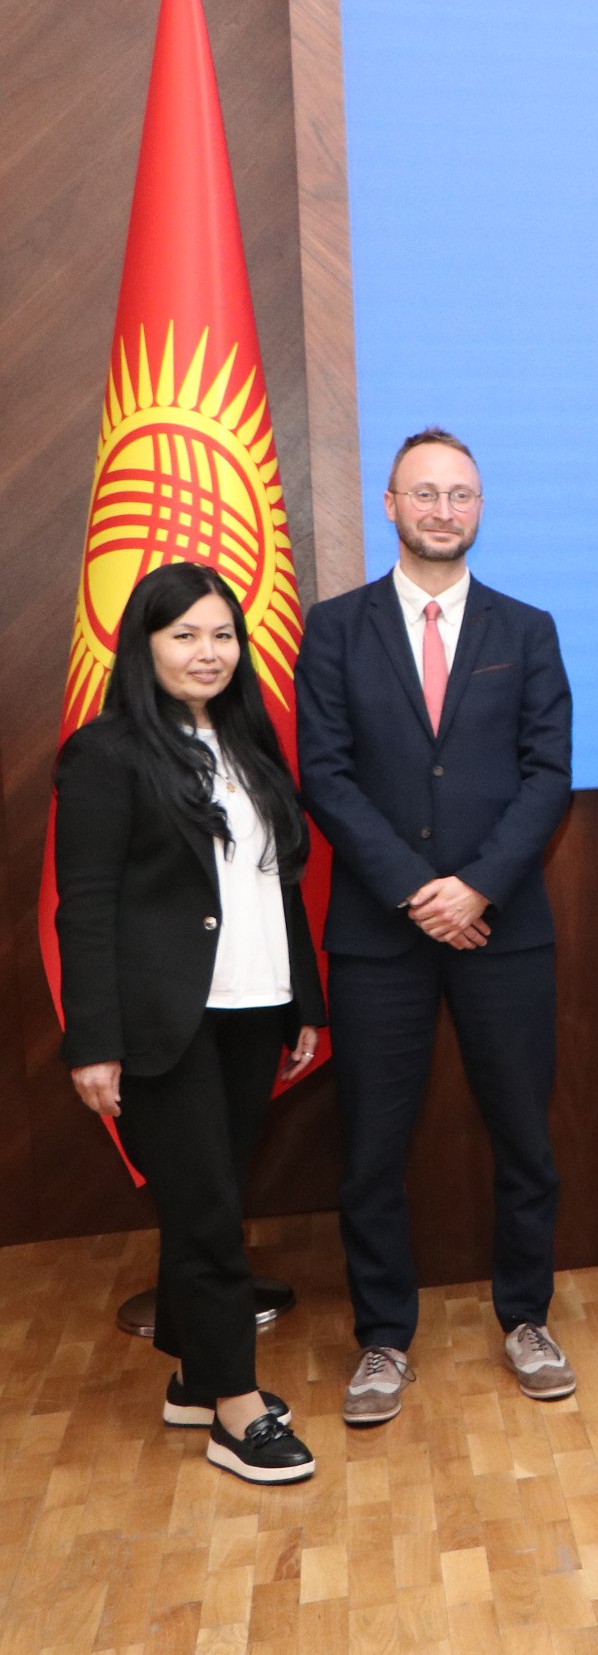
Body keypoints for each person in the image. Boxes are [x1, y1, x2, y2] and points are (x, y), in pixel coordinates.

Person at [297, 427, 576, 1425]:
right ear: (390, 505)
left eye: (460, 494)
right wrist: (420, 890)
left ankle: (527, 1317)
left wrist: (478, 888)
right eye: (425, 493)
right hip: (380, 934)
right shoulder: (335, 629)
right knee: (372, 1148)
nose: (443, 510)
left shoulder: (527, 628)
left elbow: (549, 773)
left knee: (524, 1139)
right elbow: (325, 772)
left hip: (505, 928)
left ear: (480, 507)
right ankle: (382, 1336)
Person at [54, 561, 326, 1484]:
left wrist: (302, 1003)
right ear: (143, 645)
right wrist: (94, 1042)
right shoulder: (106, 753)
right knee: (208, 1213)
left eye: (222, 635)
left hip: (253, 1009)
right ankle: (235, 1412)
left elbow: (277, 884)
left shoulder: (248, 741)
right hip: (162, 1024)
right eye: (184, 636)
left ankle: (190, 1380)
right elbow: (85, 907)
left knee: (211, 1198)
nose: (208, 653)